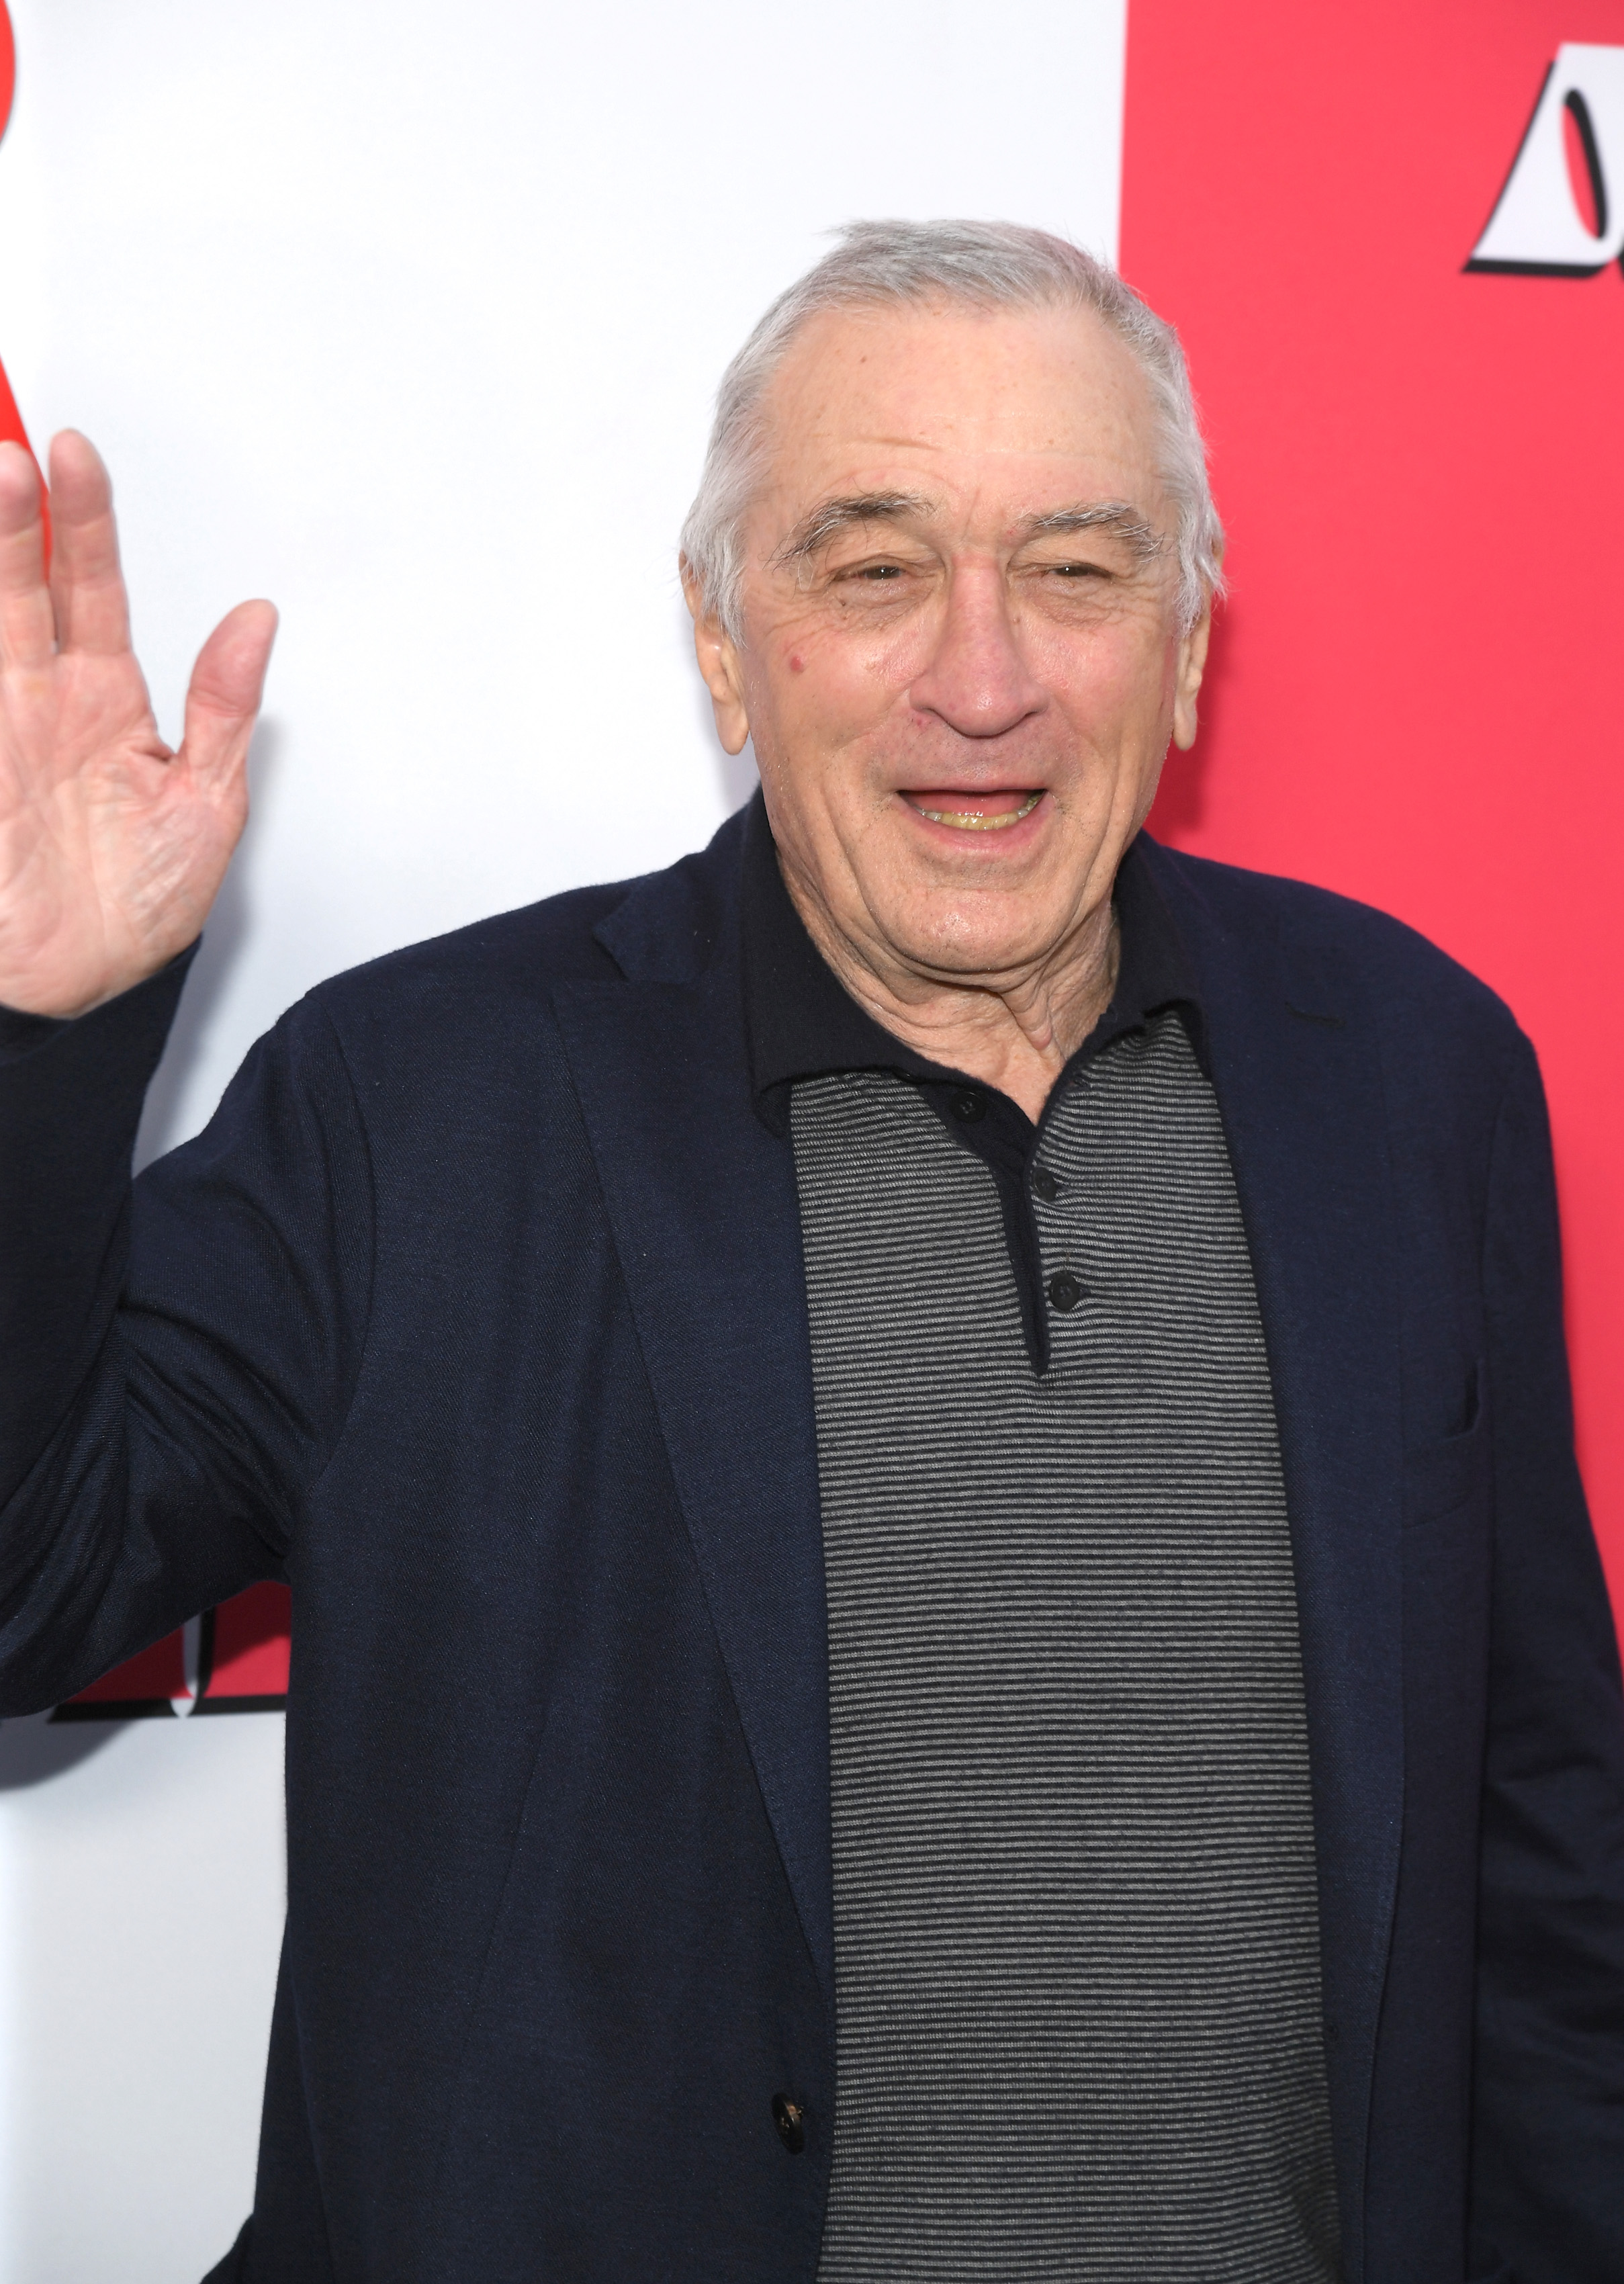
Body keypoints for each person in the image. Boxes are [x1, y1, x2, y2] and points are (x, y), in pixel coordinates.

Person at [1, 220, 1620, 2284]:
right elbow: (23, 1589)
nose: (980, 675)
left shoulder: (1410, 1071)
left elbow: (1536, 1854)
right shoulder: (418, 1103)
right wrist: (35, 1038)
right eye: (871, 569)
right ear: (718, 639)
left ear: (1191, 640)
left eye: (1076, 566)